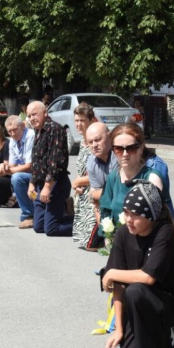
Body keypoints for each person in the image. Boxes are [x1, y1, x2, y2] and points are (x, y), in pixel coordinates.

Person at [103, 181, 174, 348]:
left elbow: (148, 278)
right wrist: (119, 329)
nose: (128, 219)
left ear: (151, 215)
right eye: (126, 212)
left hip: (168, 304)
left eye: (135, 215)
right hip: (137, 306)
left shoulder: (164, 233)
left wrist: (111, 272)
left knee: (137, 290)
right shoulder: (123, 233)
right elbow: (119, 287)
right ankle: (164, 342)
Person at [99, 123, 165, 228]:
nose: (125, 154)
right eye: (119, 149)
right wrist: (108, 238)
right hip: (117, 240)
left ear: (141, 148)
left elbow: (156, 220)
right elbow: (106, 213)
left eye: (131, 148)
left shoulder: (152, 178)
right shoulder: (113, 178)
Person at [26, 100, 73, 237]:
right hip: (41, 183)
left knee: (51, 229)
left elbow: (55, 162)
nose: (32, 118)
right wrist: (32, 183)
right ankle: (62, 212)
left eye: (34, 114)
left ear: (45, 112)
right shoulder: (38, 131)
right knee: (38, 226)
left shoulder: (54, 129)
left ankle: (86, 225)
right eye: (29, 116)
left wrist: (47, 187)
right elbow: (36, 161)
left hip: (55, 184)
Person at [71, 103, 97, 249]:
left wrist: (78, 182)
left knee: (90, 244)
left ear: (91, 121)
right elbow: (81, 169)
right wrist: (77, 184)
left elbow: (102, 174)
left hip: (95, 190)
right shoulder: (82, 142)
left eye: (82, 120)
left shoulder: (95, 143)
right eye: (76, 120)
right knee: (83, 242)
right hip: (83, 191)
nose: (78, 124)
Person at [2, 115, 35, 228]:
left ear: (23, 126)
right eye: (9, 131)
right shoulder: (12, 141)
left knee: (17, 178)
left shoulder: (30, 135)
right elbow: (12, 164)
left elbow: (30, 166)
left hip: (37, 172)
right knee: (14, 176)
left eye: (15, 130)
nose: (12, 134)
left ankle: (28, 215)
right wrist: (4, 168)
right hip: (26, 172)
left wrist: (7, 171)